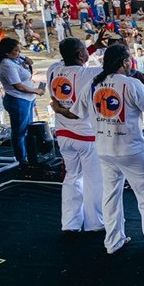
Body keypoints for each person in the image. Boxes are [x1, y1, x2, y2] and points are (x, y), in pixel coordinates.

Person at [71, 44, 144, 254]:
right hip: (131, 149)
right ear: (125, 62)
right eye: (130, 60)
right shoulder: (131, 84)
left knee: (111, 196)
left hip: (104, 150)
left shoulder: (92, 84)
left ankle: (113, 241)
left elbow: (77, 112)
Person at [47, 38, 104, 233]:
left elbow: (70, 60)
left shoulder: (53, 70)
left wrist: (94, 46)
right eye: (84, 50)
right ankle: (95, 223)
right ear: (81, 55)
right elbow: (116, 68)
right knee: (93, 180)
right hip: (86, 136)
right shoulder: (89, 73)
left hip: (63, 134)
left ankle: (70, 223)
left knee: (71, 177)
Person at [0, 38, 45, 164]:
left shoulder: (15, 58)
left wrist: (27, 62)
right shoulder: (6, 65)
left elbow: (29, 64)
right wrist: (36, 91)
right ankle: (21, 159)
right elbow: (18, 86)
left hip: (27, 99)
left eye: (19, 50)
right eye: (16, 51)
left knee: (28, 129)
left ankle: (29, 155)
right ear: (7, 53)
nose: (19, 53)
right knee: (20, 132)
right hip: (18, 100)